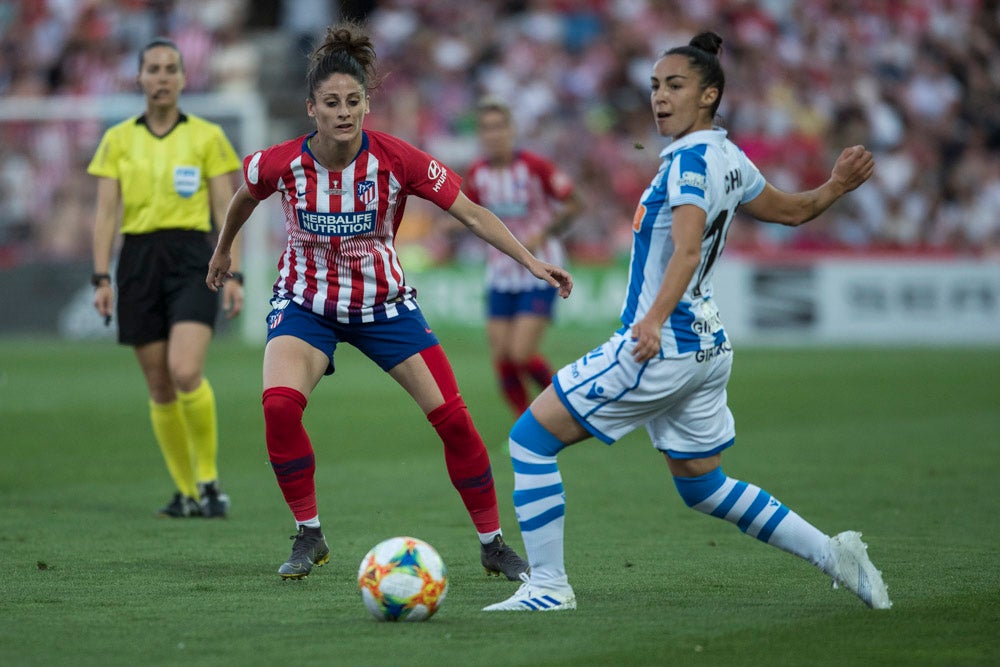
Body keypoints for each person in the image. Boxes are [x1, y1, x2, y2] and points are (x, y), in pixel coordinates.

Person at [484, 32, 891, 612]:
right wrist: (836, 186)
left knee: (529, 440)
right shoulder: (727, 156)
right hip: (707, 347)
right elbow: (792, 211)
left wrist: (649, 322)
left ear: (709, 95)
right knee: (703, 484)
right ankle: (834, 554)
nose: (659, 98)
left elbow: (686, 248)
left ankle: (547, 586)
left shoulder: (690, 161)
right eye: (654, 86)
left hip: (662, 344)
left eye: (675, 86)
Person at [205, 21, 573, 580]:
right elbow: (243, 197)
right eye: (332, 103)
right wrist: (223, 250)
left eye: (353, 101)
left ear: (367, 104)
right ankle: (309, 534)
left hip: (385, 307)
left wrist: (530, 260)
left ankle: (493, 543)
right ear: (312, 109)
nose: (344, 112)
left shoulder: (398, 159)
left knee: (454, 422)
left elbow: (471, 212)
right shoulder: (279, 163)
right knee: (279, 407)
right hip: (305, 304)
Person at [89, 38, 241, 519]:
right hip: (137, 260)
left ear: (182, 77)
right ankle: (184, 492)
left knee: (185, 372)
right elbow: (106, 214)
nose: (161, 76)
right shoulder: (117, 139)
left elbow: (226, 208)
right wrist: (101, 278)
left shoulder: (207, 136)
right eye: (152, 68)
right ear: (139, 78)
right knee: (159, 385)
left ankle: (210, 481)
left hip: (193, 257)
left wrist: (231, 270)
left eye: (169, 68)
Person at [464, 97, 584, 416]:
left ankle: (569, 405)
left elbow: (574, 203)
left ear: (511, 130)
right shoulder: (477, 174)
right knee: (502, 355)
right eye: (486, 129)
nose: (493, 134)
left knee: (520, 352)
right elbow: (470, 214)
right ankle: (525, 423)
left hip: (540, 269)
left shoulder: (535, 167)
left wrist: (542, 235)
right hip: (500, 273)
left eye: (499, 126)